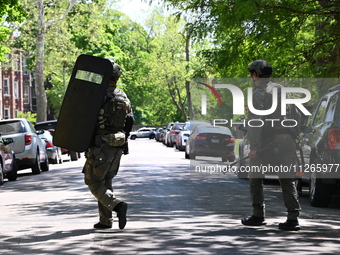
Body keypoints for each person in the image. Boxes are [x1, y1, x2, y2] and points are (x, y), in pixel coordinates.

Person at [241, 59, 301, 231]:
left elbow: (255, 122)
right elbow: (296, 114)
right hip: (288, 139)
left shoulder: (259, 93)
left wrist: (253, 148)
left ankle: (258, 215)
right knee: (287, 179)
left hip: (267, 141)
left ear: (255, 74)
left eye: (251, 73)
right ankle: (293, 218)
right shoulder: (283, 90)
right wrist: (295, 137)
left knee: (255, 176)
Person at [82, 61, 132, 229]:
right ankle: (106, 220)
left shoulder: (99, 95)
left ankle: (117, 206)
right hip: (118, 144)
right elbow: (129, 120)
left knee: (93, 181)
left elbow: (86, 119)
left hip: (101, 146)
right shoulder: (123, 96)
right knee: (106, 182)